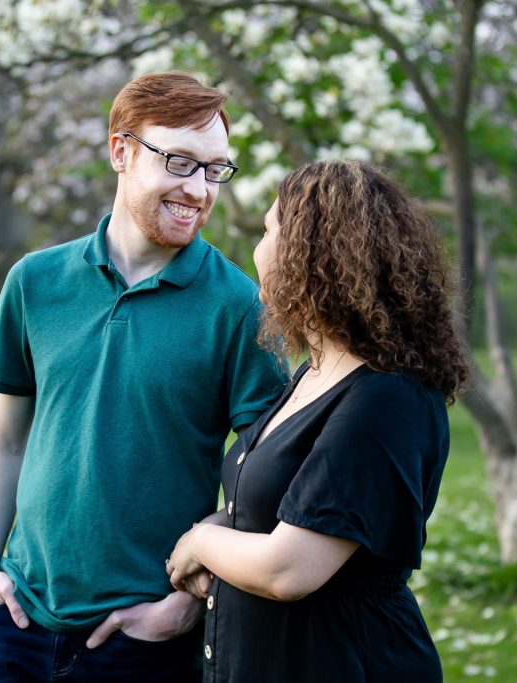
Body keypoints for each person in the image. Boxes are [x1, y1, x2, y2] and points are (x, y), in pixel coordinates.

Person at [0, 71, 286, 682]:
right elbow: (7, 439)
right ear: (121, 151)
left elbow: (261, 487)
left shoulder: (240, 307)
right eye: (181, 162)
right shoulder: (35, 282)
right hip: (16, 626)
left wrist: (184, 605)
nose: (199, 190)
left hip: (143, 643)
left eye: (215, 169)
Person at [166, 159, 469, 682]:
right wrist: (223, 532)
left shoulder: (386, 399)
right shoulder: (313, 374)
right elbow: (277, 511)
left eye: (268, 231)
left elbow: (289, 569)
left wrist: (199, 543)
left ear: (311, 255)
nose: (258, 250)